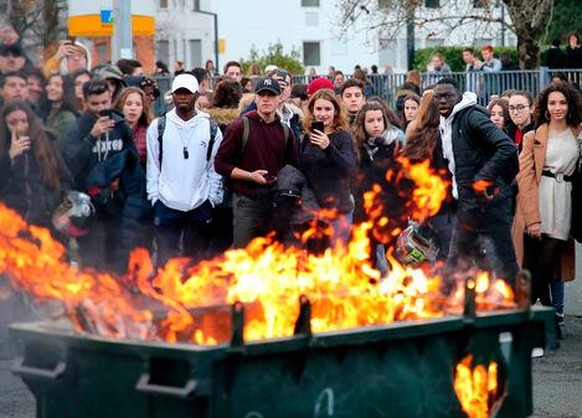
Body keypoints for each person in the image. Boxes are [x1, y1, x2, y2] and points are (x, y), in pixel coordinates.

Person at [513, 82, 582, 339]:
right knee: (533, 264)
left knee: (548, 263)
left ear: (570, 105)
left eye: (562, 103)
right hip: (537, 200)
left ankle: (530, 319)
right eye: (552, 103)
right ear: (544, 106)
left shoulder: (579, 134)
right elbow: (524, 178)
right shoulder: (533, 137)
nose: (557, 108)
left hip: (564, 201)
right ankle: (538, 321)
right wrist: (532, 218)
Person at [434, 78, 519, 284]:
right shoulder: (446, 122)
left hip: (491, 200)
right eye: (438, 97)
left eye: (448, 96)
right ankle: (445, 308)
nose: (442, 101)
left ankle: (520, 310)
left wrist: (483, 178)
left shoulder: (471, 117)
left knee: (504, 262)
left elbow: (506, 146)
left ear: (459, 96)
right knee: (457, 261)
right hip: (468, 203)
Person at [63, 79, 148, 273]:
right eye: (95, 104)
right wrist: (92, 137)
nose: (101, 108)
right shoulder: (78, 128)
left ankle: (115, 299)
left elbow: (132, 163)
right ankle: (93, 299)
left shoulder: (120, 125)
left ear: (110, 99)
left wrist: (122, 182)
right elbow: (71, 166)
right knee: (93, 262)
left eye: (104, 103)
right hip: (89, 208)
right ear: (84, 102)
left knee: (117, 260)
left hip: (116, 205)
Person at [146, 73, 223, 266]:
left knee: (195, 262)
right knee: (165, 261)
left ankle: (193, 295)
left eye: (187, 93)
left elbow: (214, 168)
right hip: (166, 202)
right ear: (172, 95)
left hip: (199, 204)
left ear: (196, 95)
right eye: (178, 93)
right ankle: (162, 294)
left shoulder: (211, 128)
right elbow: (153, 165)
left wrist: (211, 200)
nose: (182, 97)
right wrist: (155, 197)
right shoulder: (158, 127)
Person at [214, 77, 298, 248]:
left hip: (275, 202)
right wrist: (250, 176)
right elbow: (220, 164)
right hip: (246, 201)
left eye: (271, 95)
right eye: (262, 95)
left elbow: (293, 167)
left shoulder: (285, 132)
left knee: (274, 256)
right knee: (244, 255)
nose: (266, 99)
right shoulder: (239, 127)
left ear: (279, 98)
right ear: (255, 98)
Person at [300, 88, 357, 247]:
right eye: (318, 109)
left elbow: (349, 168)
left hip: (337, 207)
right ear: (312, 111)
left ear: (336, 112)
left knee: (336, 255)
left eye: (327, 109)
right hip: (313, 207)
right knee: (315, 255)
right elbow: (302, 167)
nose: (322, 114)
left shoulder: (343, 137)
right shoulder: (308, 137)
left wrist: (328, 147)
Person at [0, 100, 69, 229]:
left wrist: (61, 209)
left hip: (47, 222)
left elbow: (65, 179)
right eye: (12, 123)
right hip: (13, 225)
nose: (19, 127)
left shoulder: (47, 143)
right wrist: (9, 158)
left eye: (23, 121)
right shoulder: (4, 150)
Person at [403, 90, 454, 261]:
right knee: (447, 255)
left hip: (423, 208)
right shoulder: (444, 136)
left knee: (427, 255)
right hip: (445, 208)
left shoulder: (415, 136)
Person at [114, 86, 153, 170]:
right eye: (128, 104)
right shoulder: (111, 129)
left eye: (138, 105)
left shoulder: (150, 132)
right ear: (121, 105)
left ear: (143, 108)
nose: (133, 108)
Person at [42, 73, 79, 147]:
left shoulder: (67, 117)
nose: (52, 88)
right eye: (49, 84)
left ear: (66, 89)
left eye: (57, 85)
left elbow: (62, 143)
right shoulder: (43, 111)